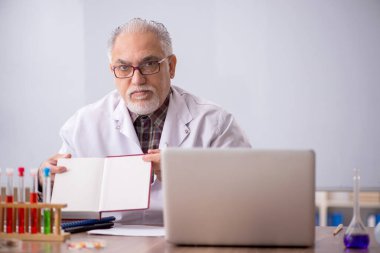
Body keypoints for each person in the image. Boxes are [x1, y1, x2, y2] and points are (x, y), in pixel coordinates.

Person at [39, 18, 251, 224]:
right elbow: (64, 210)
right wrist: (46, 181)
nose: (137, 79)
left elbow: (249, 200)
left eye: (149, 64)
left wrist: (186, 177)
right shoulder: (83, 125)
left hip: (189, 241)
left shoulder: (215, 124)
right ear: (112, 71)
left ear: (172, 66)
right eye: (123, 68)